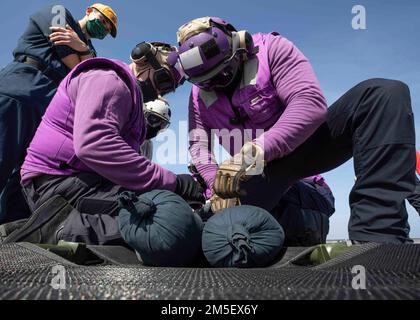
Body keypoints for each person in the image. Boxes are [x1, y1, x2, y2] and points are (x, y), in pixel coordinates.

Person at [173, 17, 416, 244]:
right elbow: (199, 146)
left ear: (240, 46)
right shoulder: (198, 96)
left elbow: (309, 102)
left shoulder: (272, 49)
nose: (216, 85)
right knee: (214, 230)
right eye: (207, 82)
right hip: (259, 176)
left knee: (381, 95)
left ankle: (379, 240)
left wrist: (257, 150)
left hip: (305, 158)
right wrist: (217, 186)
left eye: (223, 74)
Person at [9, 41, 204, 246]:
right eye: (163, 80)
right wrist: (174, 182)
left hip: (78, 181)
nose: (159, 92)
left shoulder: (128, 97)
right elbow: (94, 144)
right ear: (142, 58)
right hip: (58, 183)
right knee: (163, 223)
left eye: (167, 89)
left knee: (165, 207)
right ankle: (55, 228)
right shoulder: (110, 81)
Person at [0, 3, 118, 224]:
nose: (102, 27)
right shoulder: (57, 12)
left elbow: (89, 77)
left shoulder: (89, 49)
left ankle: (9, 233)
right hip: (19, 89)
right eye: (102, 20)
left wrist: (81, 48)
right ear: (90, 10)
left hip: (49, 112)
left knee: (24, 177)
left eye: (107, 28)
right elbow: (65, 51)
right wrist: (83, 54)